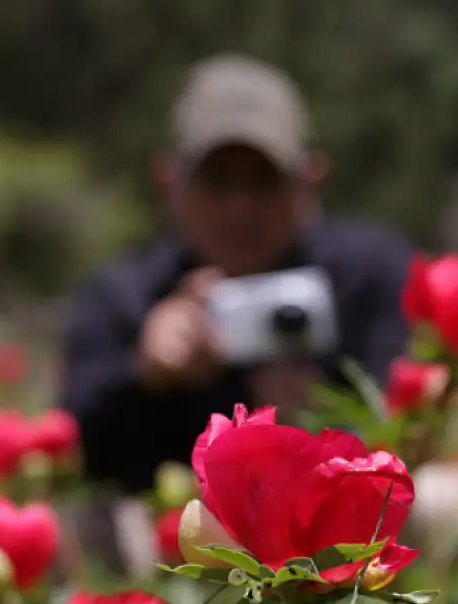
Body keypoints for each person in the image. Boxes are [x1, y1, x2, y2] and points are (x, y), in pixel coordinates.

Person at [59, 53, 414, 502]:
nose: (240, 208)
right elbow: (74, 452)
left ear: (311, 180)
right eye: (217, 180)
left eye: (264, 180)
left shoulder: (368, 274)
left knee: (440, 495)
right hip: (171, 536)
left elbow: (414, 421)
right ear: (169, 182)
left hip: (335, 524)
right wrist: (144, 378)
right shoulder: (123, 296)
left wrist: (323, 420)